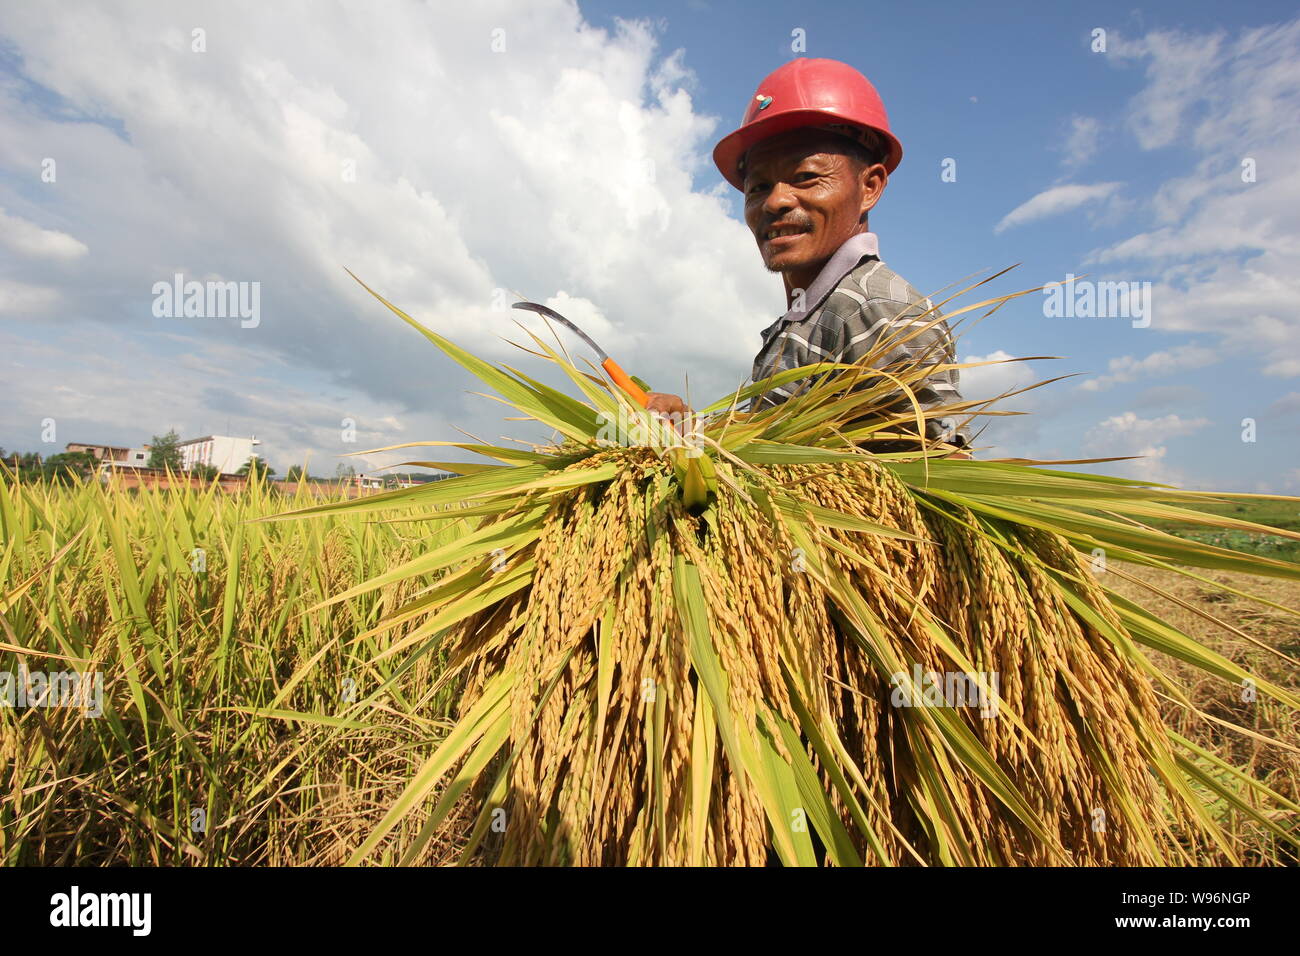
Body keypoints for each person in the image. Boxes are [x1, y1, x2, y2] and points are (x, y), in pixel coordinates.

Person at [647, 58, 970, 454]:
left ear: (869, 187)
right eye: (758, 187)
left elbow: (934, 476)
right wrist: (693, 432)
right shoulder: (813, 314)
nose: (776, 201)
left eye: (805, 178)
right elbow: (778, 452)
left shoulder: (875, 308)